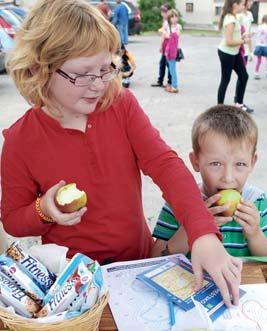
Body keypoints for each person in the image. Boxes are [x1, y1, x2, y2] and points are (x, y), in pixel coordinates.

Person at [1, 0, 242, 307]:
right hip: (72, 283)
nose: (99, 84)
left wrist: (203, 233)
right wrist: (44, 210)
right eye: (83, 74)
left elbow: (165, 164)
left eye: (105, 69)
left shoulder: (120, 105)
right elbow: (13, 221)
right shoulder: (20, 141)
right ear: (39, 68)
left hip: (137, 263)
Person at [151, 105, 267, 258]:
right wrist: (192, 227)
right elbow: (154, 257)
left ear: (252, 163)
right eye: (216, 164)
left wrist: (255, 234)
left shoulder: (256, 202)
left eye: (239, 164)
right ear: (196, 162)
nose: (228, 178)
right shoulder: (179, 202)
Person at [217, 0, 254, 113]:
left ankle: (238, 103)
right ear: (235, 5)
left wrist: (243, 35)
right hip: (227, 53)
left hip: (235, 52)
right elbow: (229, 41)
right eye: (242, 4)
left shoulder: (234, 16)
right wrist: (244, 41)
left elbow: (235, 35)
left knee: (244, 76)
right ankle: (219, 108)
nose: (244, 6)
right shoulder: (230, 20)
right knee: (225, 79)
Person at [151, 4, 172, 88]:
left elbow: (169, 35)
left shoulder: (169, 22)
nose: (162, 13)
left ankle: (170, 82)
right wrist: (161, 46)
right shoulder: (165, 21)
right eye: (162, 11)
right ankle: (160, 81)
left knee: (168, 64)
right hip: (165, 44)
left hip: (168, 44)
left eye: (164, 11)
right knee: (162, 63)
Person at [163, 9, 181, 93]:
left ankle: (174, 86)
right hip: (168, 50)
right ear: (169, 18)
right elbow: (165, 35)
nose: (174, 19)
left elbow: (175, 35)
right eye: (172, 17)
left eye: (175, 17)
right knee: (171, 68)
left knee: (172, 69)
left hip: (173, 50)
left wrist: (170, 34)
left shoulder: (178, 26)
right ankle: (172, 85)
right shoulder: (167, 25)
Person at [253, 15, 267, 79]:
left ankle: (256, 73)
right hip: (265, 46)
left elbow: (253, 33)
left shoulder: (259, 27)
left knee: (259, 60)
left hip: (258, 46)